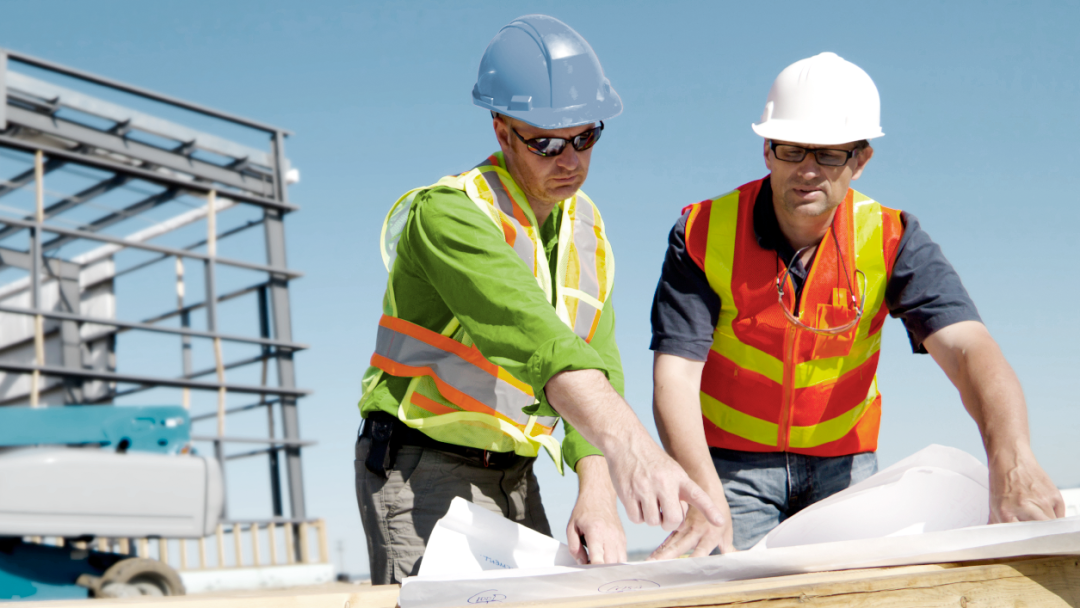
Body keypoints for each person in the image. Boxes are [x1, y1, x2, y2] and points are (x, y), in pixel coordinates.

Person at [649, 52, 1064, 558]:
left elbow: (968, 348)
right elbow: (675, 375)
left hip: (844, 467)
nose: (806, 170)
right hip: (729, 468)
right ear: (766, 150)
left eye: (828, 154)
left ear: (860, 160)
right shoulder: (701, 232)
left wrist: (1013, 459)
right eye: (791, 149)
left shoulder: (894, 238)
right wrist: (701, 490)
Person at [355, 14, 721, 584]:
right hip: (420, 466)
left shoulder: (584, 225)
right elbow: (540, 342)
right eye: (546, 142)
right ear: (502, 132)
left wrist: (596, 487)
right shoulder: (449, 215)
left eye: (584, 137)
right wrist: (634, 449)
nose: (569, 159)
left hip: (515, 474)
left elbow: (595, 358)